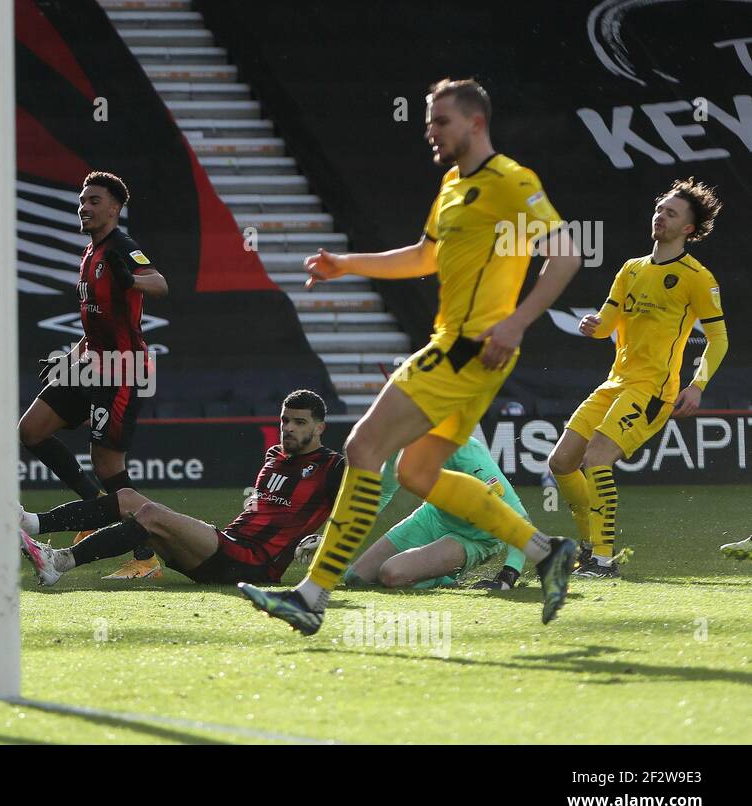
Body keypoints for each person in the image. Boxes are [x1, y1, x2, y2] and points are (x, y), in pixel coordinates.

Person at [239, 77, 582, 636]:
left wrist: (516, 323)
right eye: (428, 120)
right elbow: (425, 256)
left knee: (362, 446)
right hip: (461, 351)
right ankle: (544, 552)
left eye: (440, 120)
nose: (430, 129)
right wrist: (347, 265)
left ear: (475, 122)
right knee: (418, 472)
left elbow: (565, 254)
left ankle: (311, 595)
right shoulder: (451, 184)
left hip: (464, 350)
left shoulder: (511, 181)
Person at [546, 178, 727, 578]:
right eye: (660, 208)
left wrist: (696, 384)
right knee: (561, 462)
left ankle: (604, 561)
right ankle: (590, 546)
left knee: (596, 458)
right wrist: (592, 325)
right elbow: (607, 320)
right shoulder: (631, 269)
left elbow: (718, 339)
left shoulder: (697, 277)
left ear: (688, 229)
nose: (661, 216)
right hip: (615, 382)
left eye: (671, 213)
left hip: (652, 391)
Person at [19, 390, 343, 586]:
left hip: (254, 563)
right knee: (128, 498)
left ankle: (58, 562)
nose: (288, 428)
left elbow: (366, 505)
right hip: (225, 550)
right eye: (285, 420)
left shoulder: (332, 466)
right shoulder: (274, 456)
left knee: (149, 514)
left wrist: (326, 544)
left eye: (299, 423)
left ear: (320, 428)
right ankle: (32, 523)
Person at [18, 171, 168, 577]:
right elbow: (94, 325)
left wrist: (131, 279)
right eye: (82, 200)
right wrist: (69, 361)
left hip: (122, 369)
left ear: (115, 208)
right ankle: (93, 513)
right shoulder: (90, 252)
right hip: (89, 364)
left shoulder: (122, 247)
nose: (84, 207)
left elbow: (159, 284)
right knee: (31, 430)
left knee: (107, 465)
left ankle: (144, 555)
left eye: (94, 200)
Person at [345, 437, 527, 591]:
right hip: (433, 517)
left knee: (391, 574)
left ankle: (447, 579)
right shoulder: (400, 441)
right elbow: (382, 493)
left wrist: (508, 575)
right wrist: (344, 532)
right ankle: (437, 572)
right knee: (355, 578)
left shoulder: (467, 452)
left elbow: (519, 517)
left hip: (477, 536)